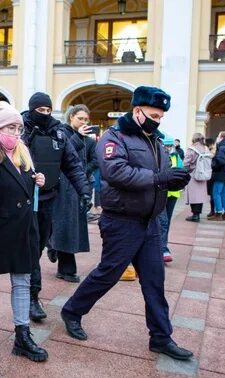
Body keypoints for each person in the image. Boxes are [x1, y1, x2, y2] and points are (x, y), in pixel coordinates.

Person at [60, 86, 193, 361]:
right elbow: (115, 171)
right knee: (108, 273)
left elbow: (159, 173)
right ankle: (72, 311)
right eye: (154, 114)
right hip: (121, 220)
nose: (159, 120)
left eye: (161, 116)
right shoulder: (114, 136)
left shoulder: (155, 140)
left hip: (150, 222)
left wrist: (173, 177)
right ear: (137, 111)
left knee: (155, 280)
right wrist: (160, 179)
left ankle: (160, 337)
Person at [0, 101, 48, 362]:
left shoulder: (23, 153)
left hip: (24, 229)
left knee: (22, 281)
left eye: (19, 128)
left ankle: (22, 336)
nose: (16, 133)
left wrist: (38, 181)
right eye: (11, 127)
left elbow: (26, 185)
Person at [21, 92, 91, 321]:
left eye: (48, 110)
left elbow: (72, 166)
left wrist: (84, 191)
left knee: (37, 247)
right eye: (40, 110)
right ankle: (32, 297)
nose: (45, 114)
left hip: (47, 199)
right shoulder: (19, 130)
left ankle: (29, 290)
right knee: (28, 248)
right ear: (32, 109)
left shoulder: (59, 133)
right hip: (21, 201)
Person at [49, 105, 97, 282]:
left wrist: (84, 172)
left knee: (70, 226)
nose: (84, 122)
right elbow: (63, 154)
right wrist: (78, 137)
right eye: (80, 119)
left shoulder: (88, 140)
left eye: (86, 119)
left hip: (78, 186)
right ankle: (66, 268)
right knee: (65, 225)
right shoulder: (62, 133)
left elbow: (95, 159)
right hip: (62, 186)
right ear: (71, 118)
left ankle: (53, 246)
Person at [159, 137, 182, 263]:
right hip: (162, 192)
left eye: (169, 146)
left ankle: (163, 247)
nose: (168, 148)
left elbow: (181, 170)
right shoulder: (158, 156)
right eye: (165, 146)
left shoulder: (176, 156)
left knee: (166, 222)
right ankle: (162, 249)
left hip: (173, 193)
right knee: (163, 221)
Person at [184, 133, 211, 222]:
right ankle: (198, 214)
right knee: (200, 196)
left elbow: (186, 162)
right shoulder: (206, 149)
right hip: (203, 174)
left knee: (194, 195)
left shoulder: (192, 149)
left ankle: (195, 215)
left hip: (193, 174)